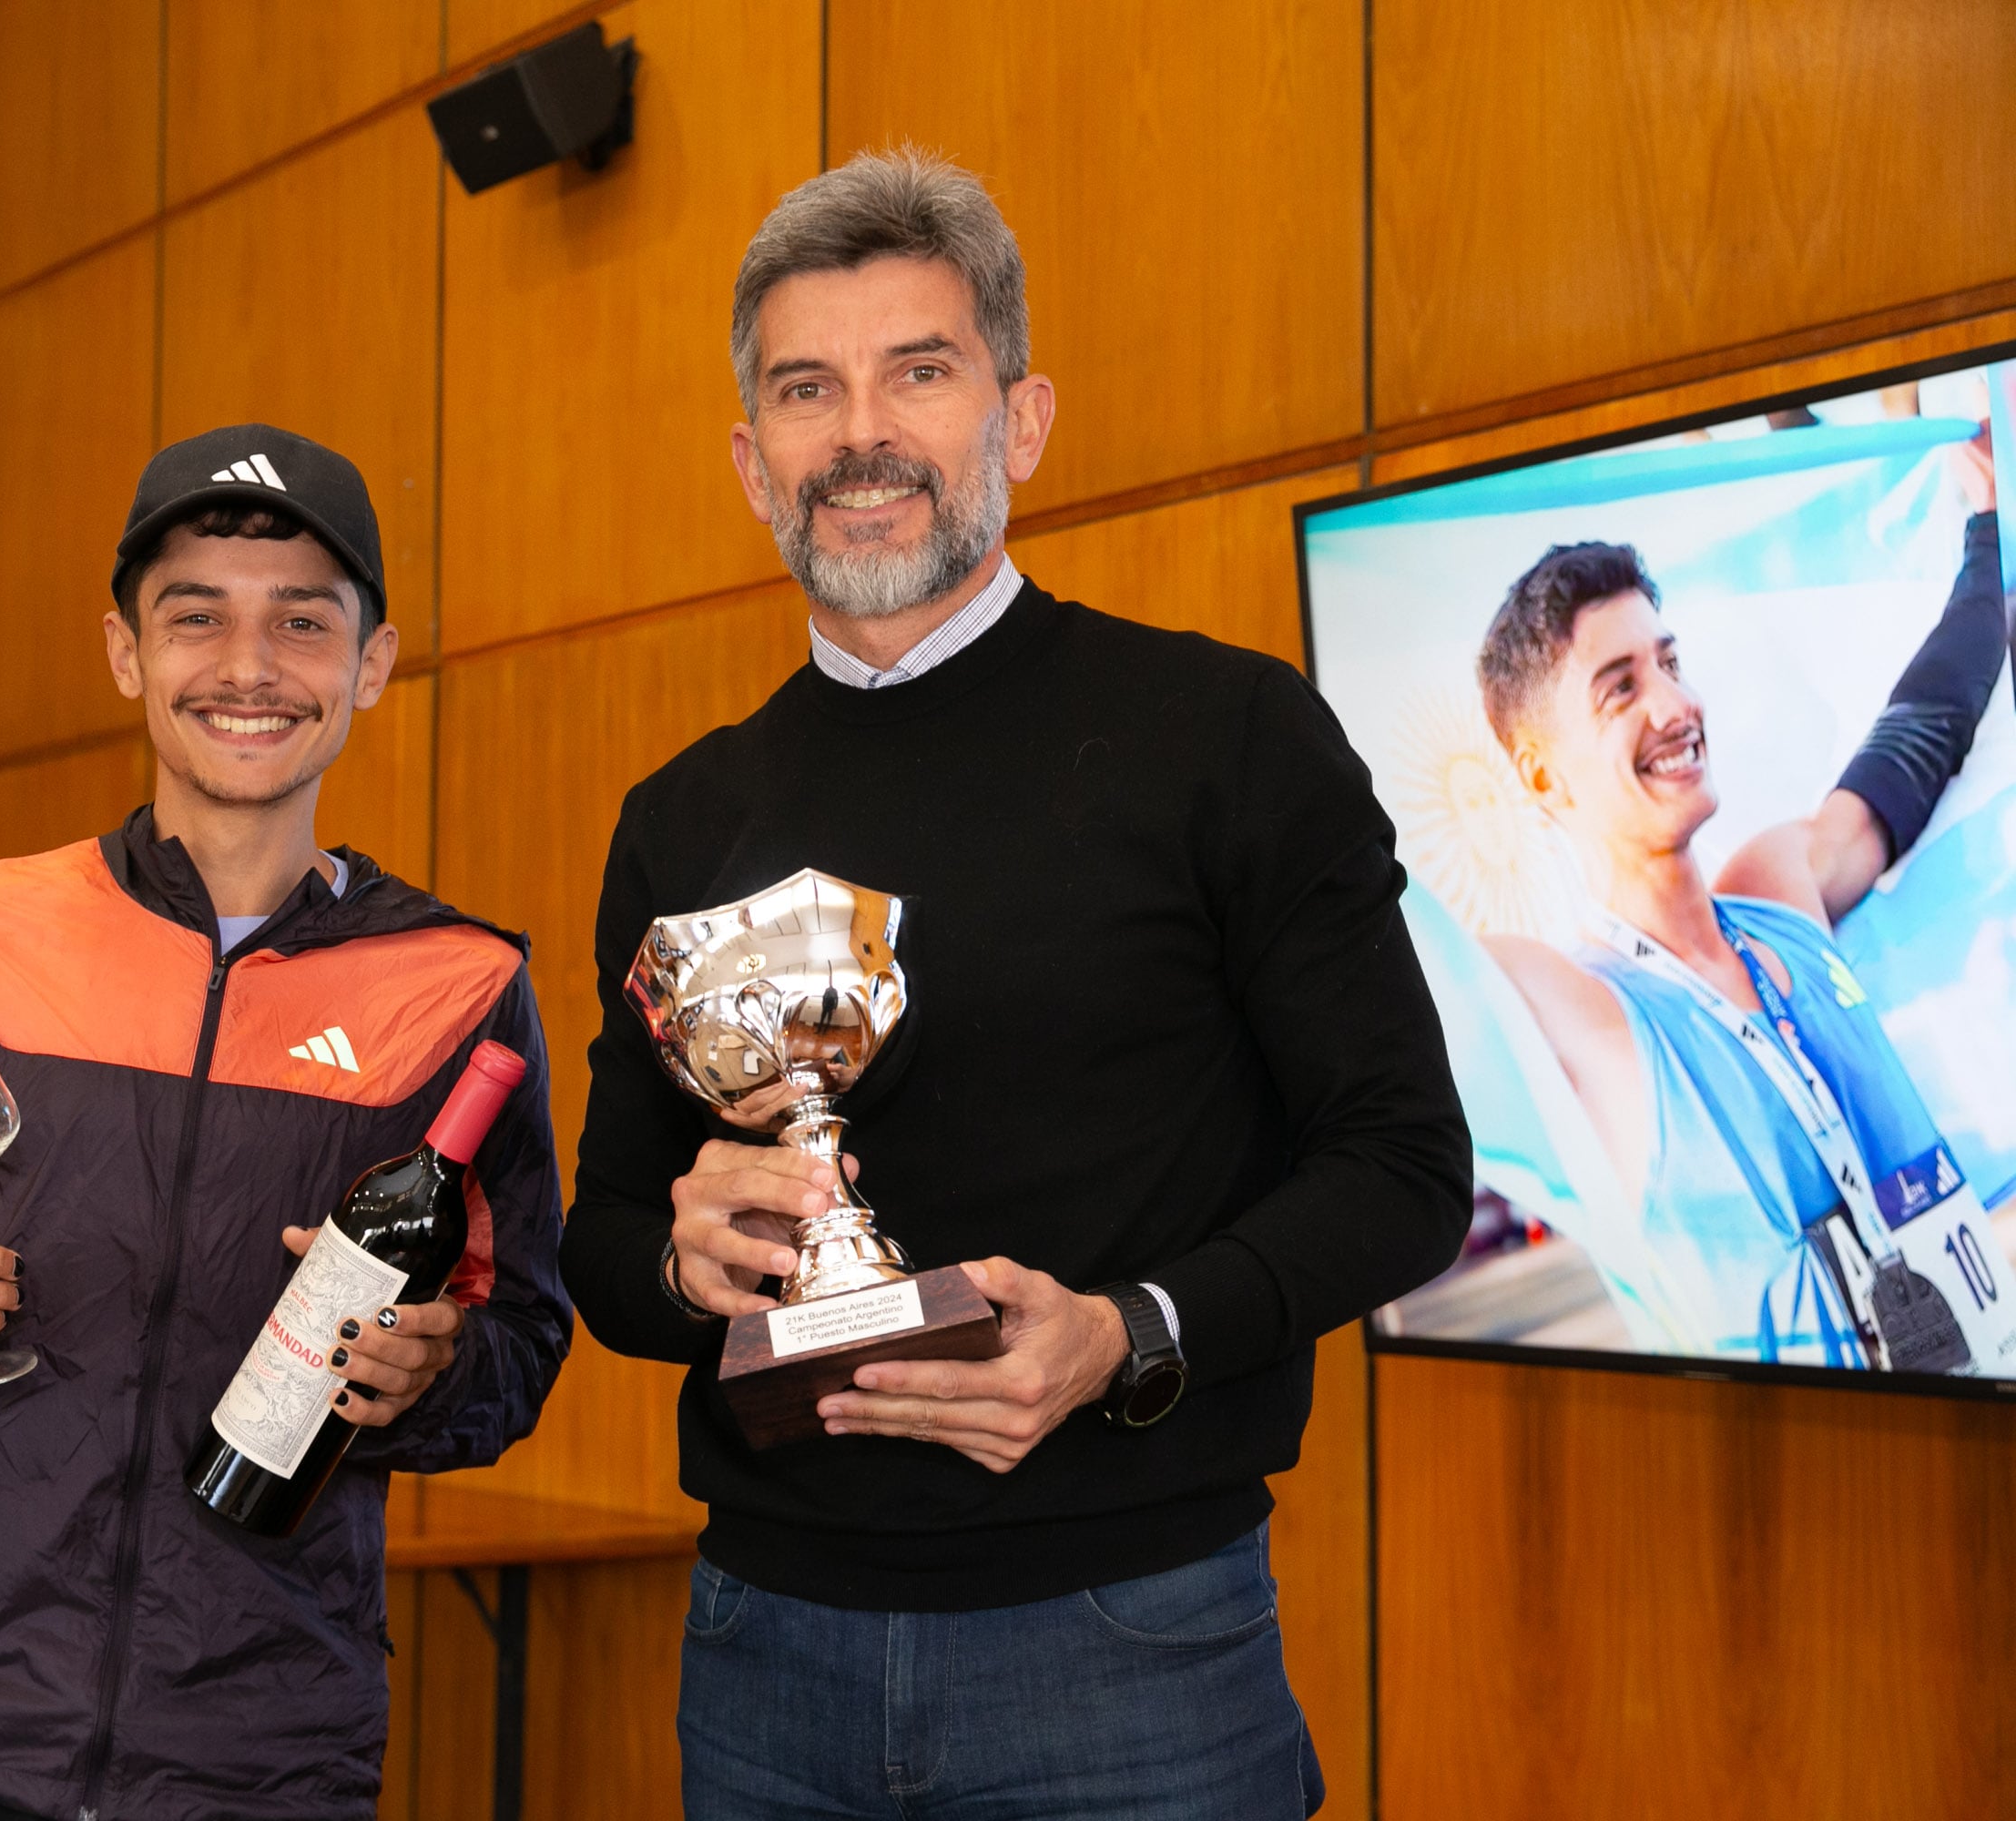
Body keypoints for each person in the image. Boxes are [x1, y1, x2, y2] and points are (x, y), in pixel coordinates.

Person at [559, 149, 1472, 1819]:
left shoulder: (1226, 738)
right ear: (751, 459)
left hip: (1130, 1655)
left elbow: (1407, 1170)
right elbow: (604, 1244)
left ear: (1021, 419)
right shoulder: (679, 816)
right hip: (763, 1651)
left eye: (921, 371)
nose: (863, 437)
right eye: (807, 390)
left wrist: (1132, 1333)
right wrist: (686, 1269)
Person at [0, 424, 570, 1821]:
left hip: (261, 1748)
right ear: (127, 649)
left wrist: (433, 1373)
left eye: (302, 623)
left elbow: (520, 1343)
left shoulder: (460, 988)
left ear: (372, 666)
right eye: (197, 616)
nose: (248, 667)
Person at [1474, 446, 2008, 1368]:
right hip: (1807, 1482)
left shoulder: (1776, 890)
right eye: (1622, 687)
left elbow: (1923, 731)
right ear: (1539, 771)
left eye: (1670, 660)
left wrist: (1987, 537)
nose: (1678, 704)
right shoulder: (1577, 1007)